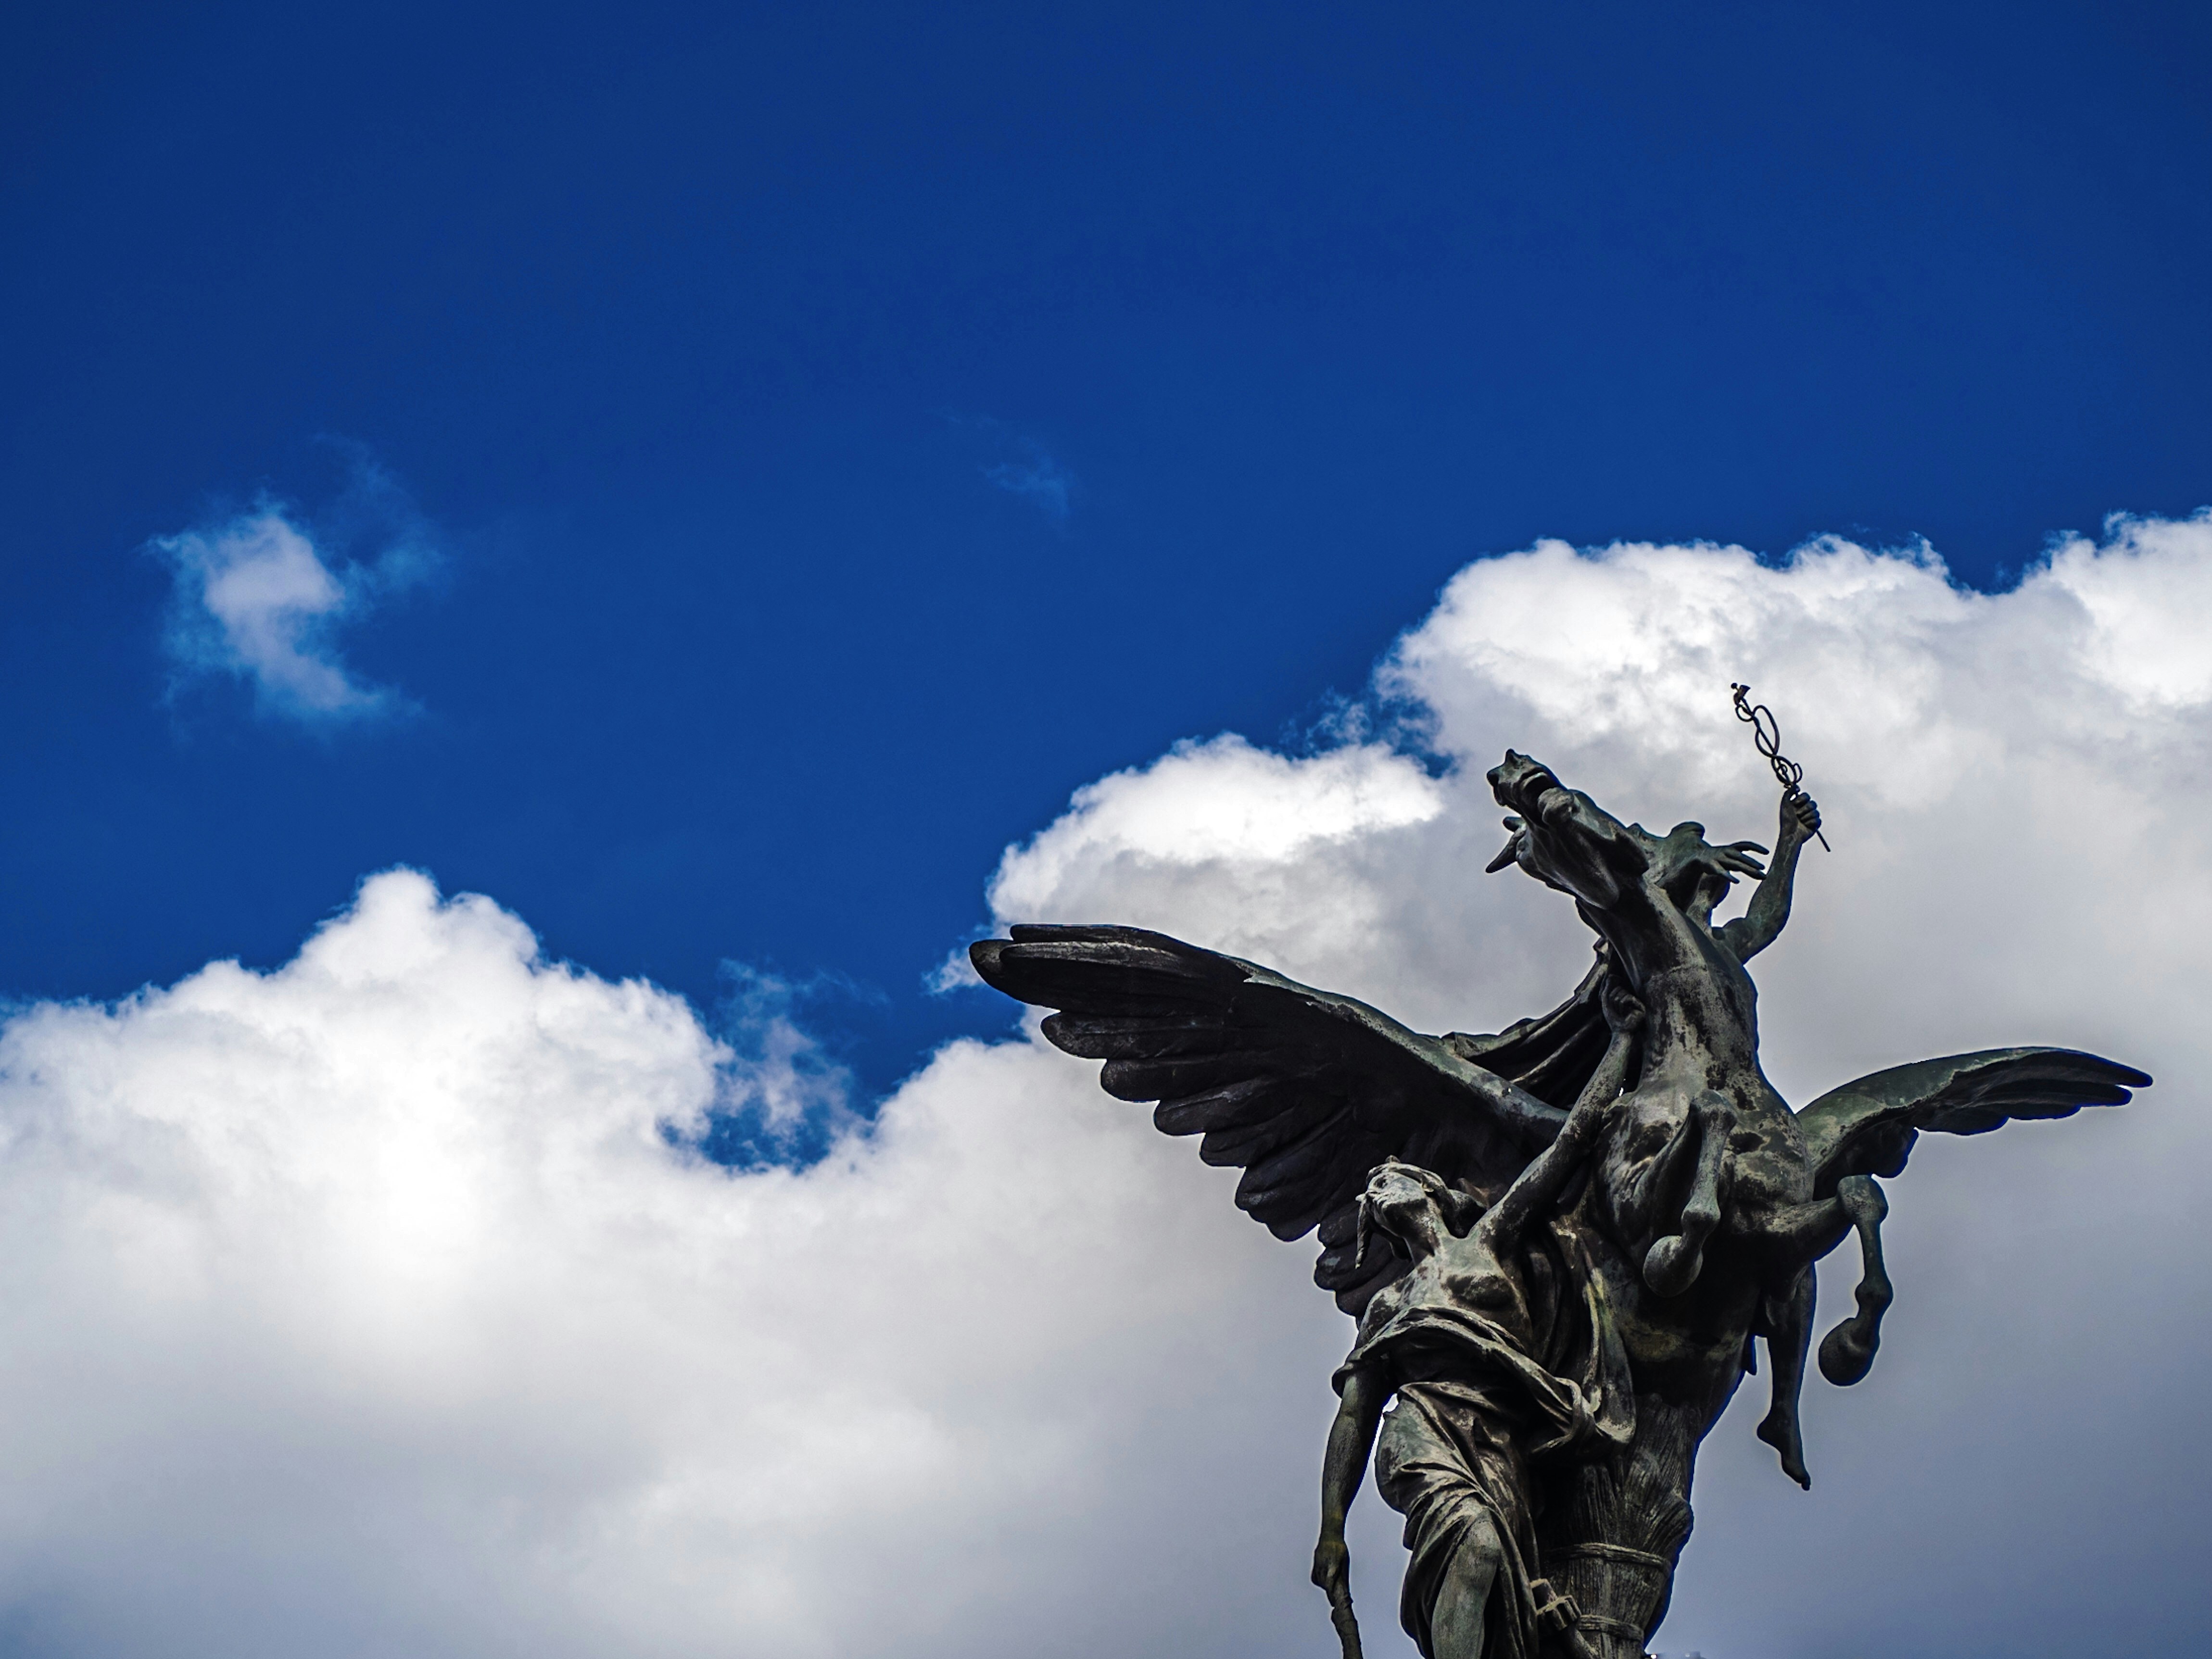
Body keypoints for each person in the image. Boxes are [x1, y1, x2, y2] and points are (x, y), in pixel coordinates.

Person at [1311, 988, 1641, 1659]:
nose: (1376, 1188)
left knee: (1500, 1588)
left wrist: (1625, 1041)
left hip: (1500, 1440)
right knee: (1475, 1537)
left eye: (1389, 1177)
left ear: (1429, 1190)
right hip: (1422, 1428)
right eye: (1370, 1189)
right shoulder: (1388, 1304)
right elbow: (1355, 1413)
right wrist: (1332, 1527)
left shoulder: (1490, 1241)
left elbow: (1571, 1142)